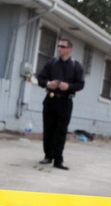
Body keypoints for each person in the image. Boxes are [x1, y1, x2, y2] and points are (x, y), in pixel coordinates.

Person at [35, 38, 85, 170]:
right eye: (59, 46)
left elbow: (80, 84)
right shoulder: (52, 63)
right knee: (48, 129)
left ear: (70, 49)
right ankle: (48, 156)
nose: (59, 49)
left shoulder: (76, 66)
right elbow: (40, 78)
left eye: (63, 47)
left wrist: (68, 86)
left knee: (61, 131)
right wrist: (48, 84)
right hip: (51, 99)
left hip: (65, 101)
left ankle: (58, 159)